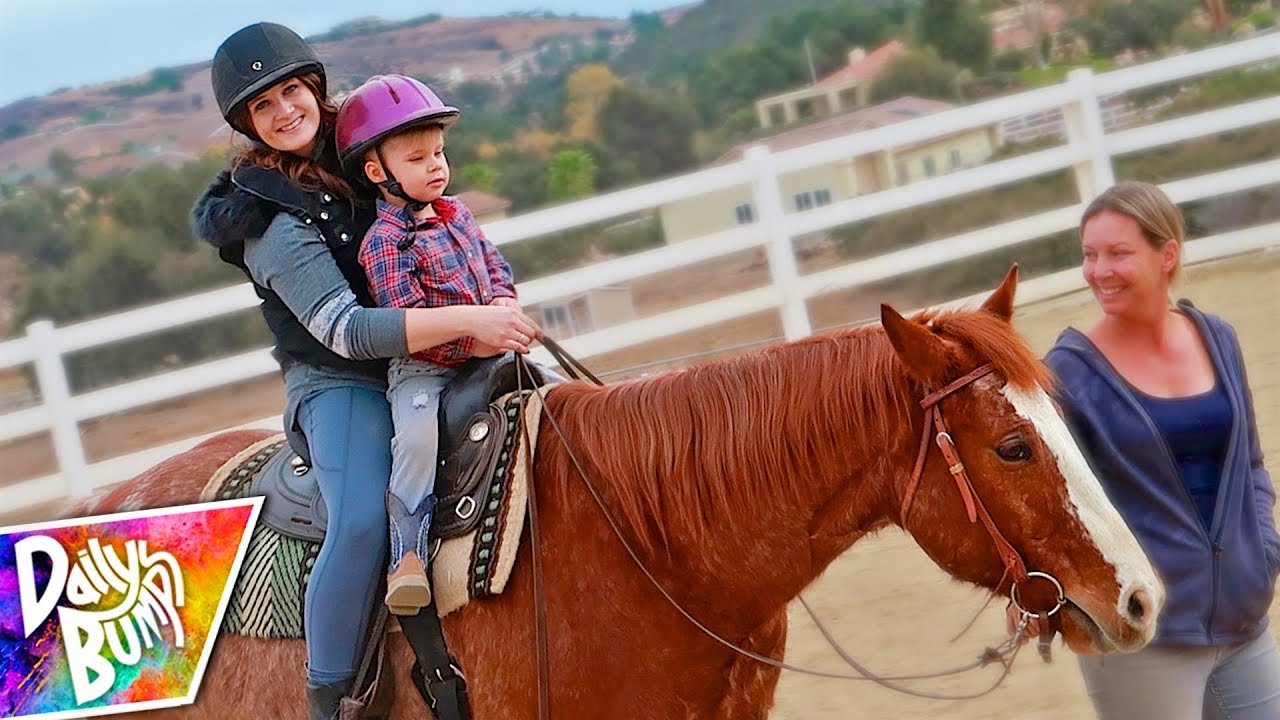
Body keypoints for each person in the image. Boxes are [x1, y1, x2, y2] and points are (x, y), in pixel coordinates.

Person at [190, 23, 540, 720]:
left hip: (434, 353)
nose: (286, 110)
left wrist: (491, 295)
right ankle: (328, 698)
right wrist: (470, 320)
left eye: (292, 89)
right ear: (248, 125)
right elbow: (345, 332)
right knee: (358, 520)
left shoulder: (367, 145)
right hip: (340, 381)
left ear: (314, 87)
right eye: (264, 106)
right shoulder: (264, 218)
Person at [1042, 181, 1280, 719]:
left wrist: (1262, 555)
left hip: (1244, 620)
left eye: (1118, 253)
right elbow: (1051, 507)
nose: (1099, 271)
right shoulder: (1067, 375)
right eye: (1089, 255)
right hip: (1143, 635)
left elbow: (1251, 466)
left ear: (1166, 253)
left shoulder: (1218, 339)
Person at [334, 74, 525, 615]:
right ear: (379, 173)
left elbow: (495, 267)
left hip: (489, 340)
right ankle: (408, 556)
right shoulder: (384, 244)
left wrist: (506, 304)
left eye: (439, 152)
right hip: (426, 369)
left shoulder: (458, 214)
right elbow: (414, 328)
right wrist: (477, 344)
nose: (436, 166)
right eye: (417, 159)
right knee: (416, 439)